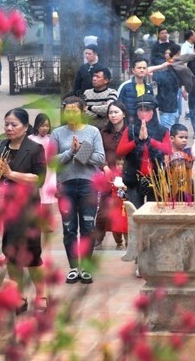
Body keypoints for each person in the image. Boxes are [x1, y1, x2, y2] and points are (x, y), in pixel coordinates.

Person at [0, 108, 47, 313]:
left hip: (27, 208)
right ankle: (19, 295)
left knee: (31, 254)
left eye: (14, 125)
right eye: (6, 124)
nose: (9, 128)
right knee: (10, 253)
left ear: (25, 127)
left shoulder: (35, 148)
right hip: (5, 207)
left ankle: (41, 295)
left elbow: (38, 179)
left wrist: (11, 174)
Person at [51, 96, 106, 285]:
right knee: (69, 228)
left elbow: (100, 158)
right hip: (65, 184)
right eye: (67, 110)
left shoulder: (93, 132)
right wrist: (70, 152)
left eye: (75, 110)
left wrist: (81, 150)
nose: (71, 114)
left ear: (82, 111)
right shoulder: (57, 133)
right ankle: (74, 268)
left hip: (88, 184)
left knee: (88, 227)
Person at [117, 95, 172, 208]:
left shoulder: (162, 130)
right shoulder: (130, 129)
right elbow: (119, 152)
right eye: (141, 110)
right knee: (135, 213)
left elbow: (168, 150)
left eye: (147, 110)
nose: (144, 113)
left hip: (156, 178)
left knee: (154, 214)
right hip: (134, 179)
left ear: (153, 112)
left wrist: (149, 140)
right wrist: (137, 141)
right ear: (136, 112)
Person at [97, 101, 128, 249]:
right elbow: (97, 153)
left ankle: (125, 242)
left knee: (124, 210)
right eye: (110, 112)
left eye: (116, 112)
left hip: (126, 178)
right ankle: (98, 240)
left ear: (124, 114)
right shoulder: (103, 133)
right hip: (108, 177)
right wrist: (103, 166)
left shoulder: (130, 131)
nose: (113, 115)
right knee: (103, 211)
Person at [29, 113, 58, 233]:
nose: (45, 128)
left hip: (49, 172)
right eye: (42, 125)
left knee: (48, 198)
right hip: (37, 170)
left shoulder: (50, 139)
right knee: (37, 197)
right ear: (36, 126)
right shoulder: (31, 139)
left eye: (47, 126)